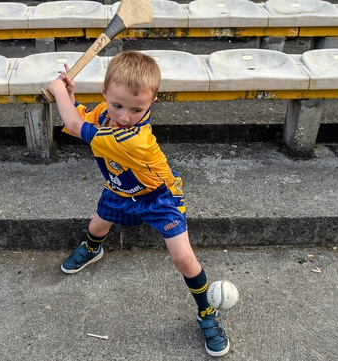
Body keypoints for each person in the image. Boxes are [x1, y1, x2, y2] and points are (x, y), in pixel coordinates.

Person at [46, 50, 230, 357]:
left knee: (183, 258)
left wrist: (55, 91)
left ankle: (207, 312)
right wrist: (70, 94)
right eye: (117, 105)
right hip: (120, 189)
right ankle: (93, 248)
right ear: (104, 93)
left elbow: (76, 126)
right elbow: (81, 115)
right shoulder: (105, 115)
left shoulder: (134, 137)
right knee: (97, 225)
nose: (123, 116)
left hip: (158, 196)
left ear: (152, 103)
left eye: (136, 109)